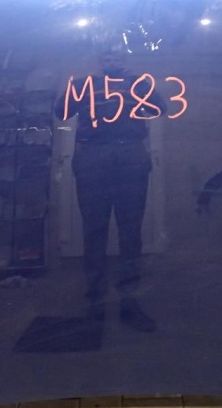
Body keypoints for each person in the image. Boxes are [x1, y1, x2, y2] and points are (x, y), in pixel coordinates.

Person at [56, 49, 166, 331]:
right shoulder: (84, 84)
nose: (113, 63)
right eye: (107, 58)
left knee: (131, 231)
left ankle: (129, 301)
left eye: (118, 58)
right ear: (99, 61)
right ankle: (96, 301)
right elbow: (61, 112)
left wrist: (142, 86)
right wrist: (76, 88)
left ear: (126, 61)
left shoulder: (137, 83)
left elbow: (160, 108)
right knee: (94, 229)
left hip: (128, 154)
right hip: (95, 154)